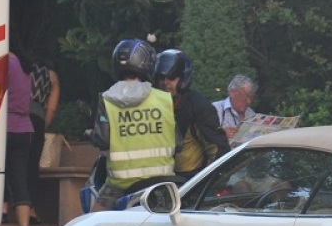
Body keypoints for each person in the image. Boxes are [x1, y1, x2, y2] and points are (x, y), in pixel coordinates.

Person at [87, 39, 177, 211]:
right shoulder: (165, 99)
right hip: (162, 183)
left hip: (120, 186)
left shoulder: (107, 99)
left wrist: (91, 134)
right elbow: (178, 143)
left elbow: (102, 140)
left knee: (93, 222)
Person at [153, 49, 230, 181]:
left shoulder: (199, 107)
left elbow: (218, 149)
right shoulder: (151, 104)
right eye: (161, 77)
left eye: (171, 77)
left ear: (183, 78)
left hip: (187, 181)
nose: (165, 82)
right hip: (154, 177)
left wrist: (207, 184)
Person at [4, 51, 36, 226]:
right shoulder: (25, 66)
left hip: (4, 127)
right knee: (19, 182)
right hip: (25, 128)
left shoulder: (5, 62)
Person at [26, 51, 60, 223]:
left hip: (12, 118)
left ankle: (3, 206)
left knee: (10, 162)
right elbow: (52, 107)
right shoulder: (51, 75)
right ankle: (29, 211)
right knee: (32, 167)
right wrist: (42, 124)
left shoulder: (19, 68)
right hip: (36, 119)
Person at [212, 74, 259, 143]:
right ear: (232, 92)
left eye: (251, 98)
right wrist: (222, 134)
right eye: (246, 96)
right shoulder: (216, 109)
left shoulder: (251, 113)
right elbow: (203, 136)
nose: (249, 102)